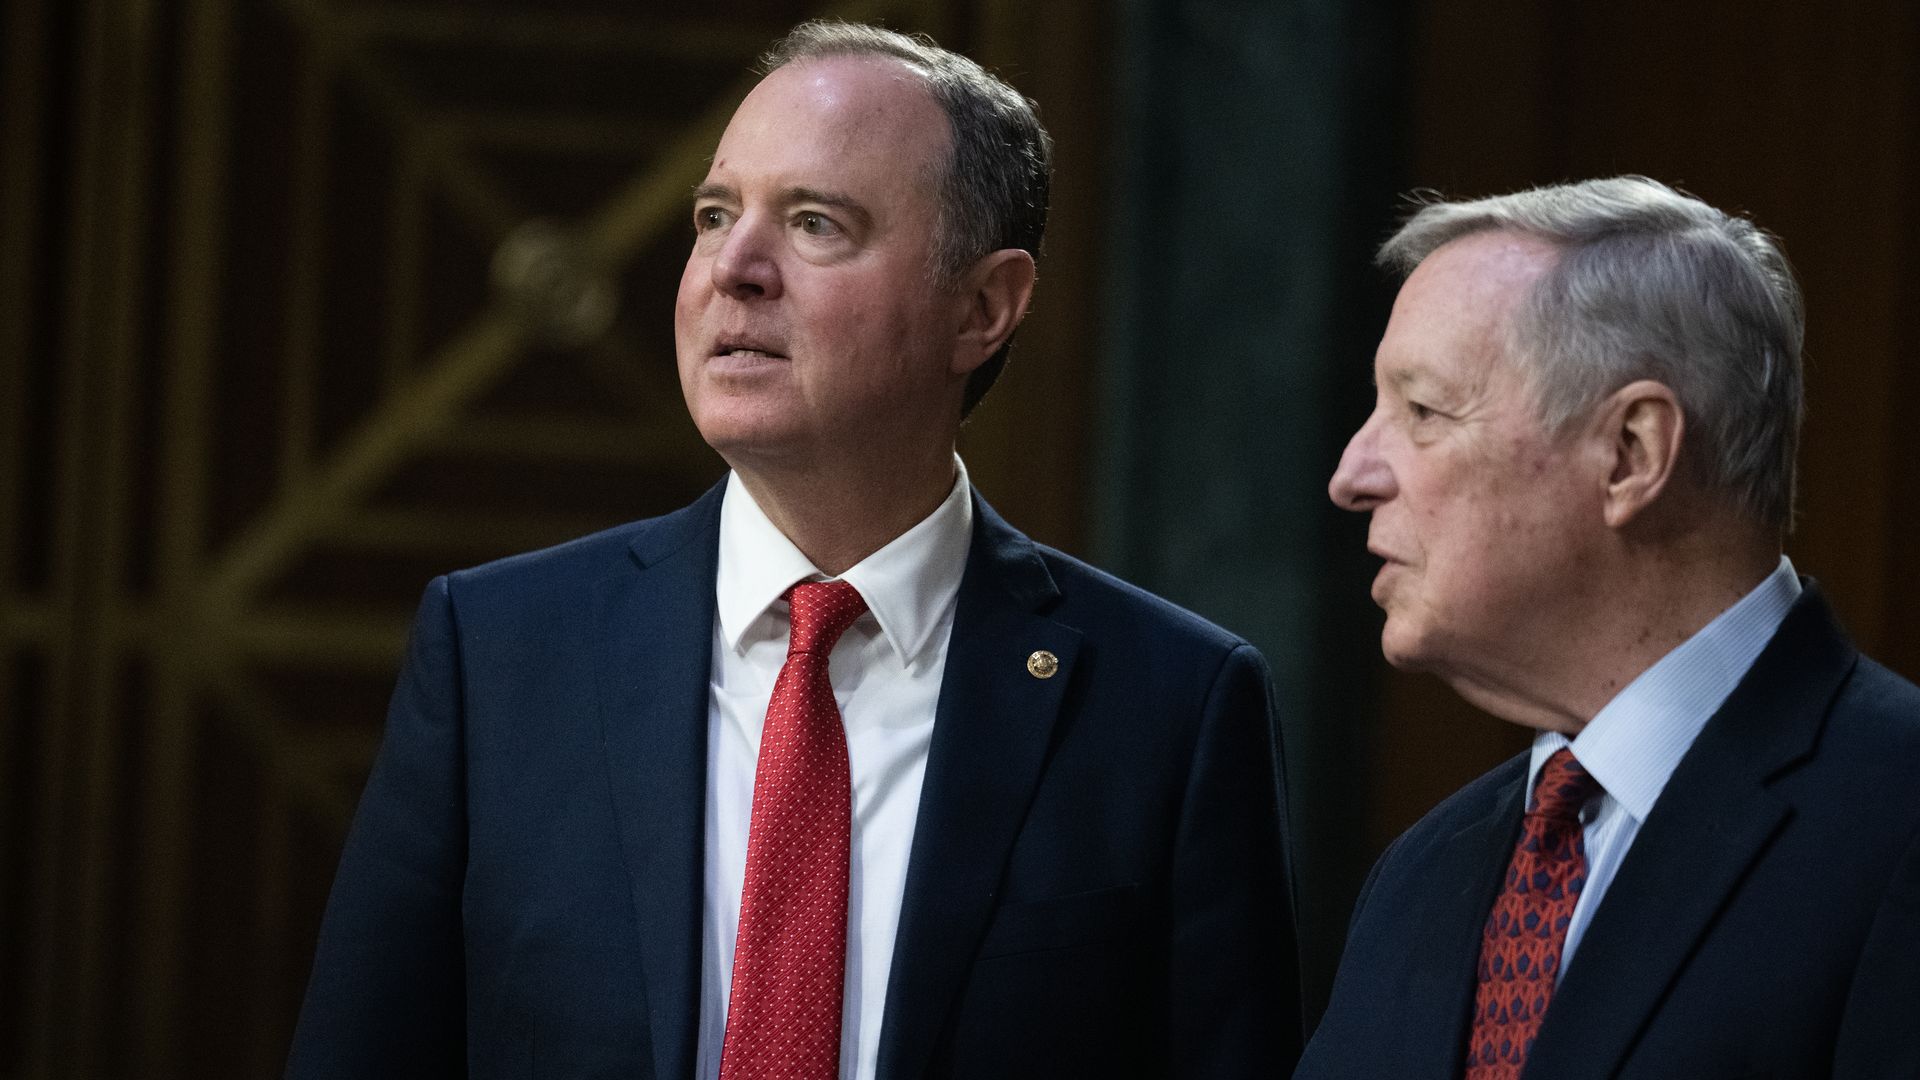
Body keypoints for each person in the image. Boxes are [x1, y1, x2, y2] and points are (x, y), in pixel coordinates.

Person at [287, 20, 1299, 1080]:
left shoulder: (1170, 705)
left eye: (815, 223)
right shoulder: (500, 653)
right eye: (714, 215)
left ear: (985, 307)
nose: (734, 268)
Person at [1296, 175, 1920, 1079]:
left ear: (1631, 452)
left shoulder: (1897, 823)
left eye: (1422, 411)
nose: (1353, 473)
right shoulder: (1425, 873)